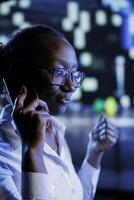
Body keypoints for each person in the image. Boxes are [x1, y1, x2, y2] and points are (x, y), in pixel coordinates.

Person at [0, 25, 119, 200]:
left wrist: (94, 153)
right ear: (22, 74)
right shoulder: (4, 155)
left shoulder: (53, 129)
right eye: (60, 72)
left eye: (74, 73)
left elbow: (76, 196)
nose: (71, 86)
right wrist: (32, 151)